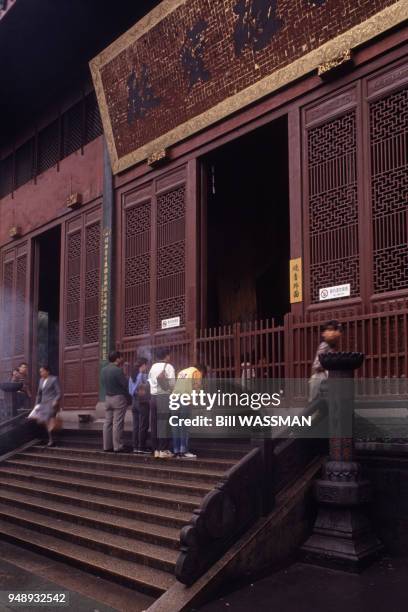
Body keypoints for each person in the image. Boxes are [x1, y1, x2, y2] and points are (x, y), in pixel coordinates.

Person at [172, 364, 207, 459]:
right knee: (184, 426)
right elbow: (197, 388)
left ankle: (176, 451)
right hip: (185, 400)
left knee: (176, 427)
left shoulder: (182, 372)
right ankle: (184, 451)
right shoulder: (196, 372)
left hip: (174, 400)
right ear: (202, 371)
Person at [148, 347, 175, 459]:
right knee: (164, 424)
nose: (170, 357)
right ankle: (163, 450)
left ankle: (156, 450)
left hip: (153, 397)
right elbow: (173, 384)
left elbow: (149, 381)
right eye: (169, 355)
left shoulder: (152, 367)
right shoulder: (168, 367)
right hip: (164, 397)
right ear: (166, 356)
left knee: (154, 424)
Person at [101, 351, 130, 453]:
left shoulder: (103, 370)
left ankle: (107, 446)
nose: (122, 359)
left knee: (107, 422)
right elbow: (125, 384)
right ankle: (117, 446)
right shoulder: (118, 370)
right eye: (121, 357)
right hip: (118, 398)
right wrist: (126, 375)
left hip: (107, 398)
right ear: (117, 359)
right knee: (117, 423)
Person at [309, 320, 342, 402]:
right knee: (314, 404)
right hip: (320, 378)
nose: (332, 333)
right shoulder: (324, 345)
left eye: (333, 330)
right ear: (323, 333)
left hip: (325, 379)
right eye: (329, 330)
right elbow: (317, 365)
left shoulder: (332, 347)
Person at [28, 365, 61, 447]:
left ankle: (52, 439)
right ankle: (52, 439)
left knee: (47, 420)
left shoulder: (54, 379)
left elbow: (59, 393)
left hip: (51, 404)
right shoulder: (41, 380)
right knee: (46, 422)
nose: (41, 373)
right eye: (40, 371)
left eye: (42, 371)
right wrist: (36, 404)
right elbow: (39, 394)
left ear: (47, 371)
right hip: (43, 404)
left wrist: (56, 400)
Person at [129, 357, 151, 454]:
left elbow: (130, 391)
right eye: (146, 365)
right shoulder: (142, 376)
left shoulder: (132, 376)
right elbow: (144, 389)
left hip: (134, 402)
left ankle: (135, 447)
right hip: (142, 402)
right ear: (143, 365)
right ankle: (142, 447)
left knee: (136, 426)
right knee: (143, 425)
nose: (147, 367)